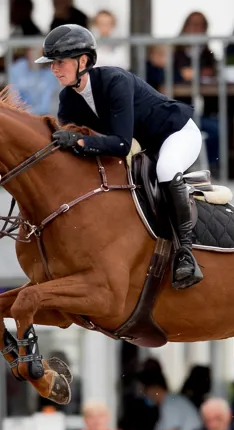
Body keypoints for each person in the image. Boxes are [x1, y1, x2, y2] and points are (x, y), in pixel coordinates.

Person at [35, 24, 205, 290]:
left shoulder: (115, 81)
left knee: (167, 169)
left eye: (60, 62)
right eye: (51, 63)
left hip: (176, 134)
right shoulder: (68, 99)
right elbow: (73, 147)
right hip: (146, 146)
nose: (54, 69)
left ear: (83, 61)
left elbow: (121, 144)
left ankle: (185, 252)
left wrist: (78, 140)